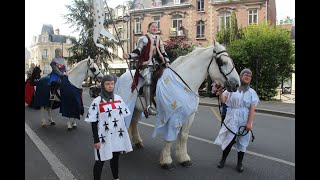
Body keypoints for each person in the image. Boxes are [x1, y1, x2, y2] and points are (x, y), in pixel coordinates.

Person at [85, 75, 133, 180]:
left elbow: (122, 118)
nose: (110, 86)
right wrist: (96, 140)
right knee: (100, 160)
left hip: (117, 135)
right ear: (103, 85)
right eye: (107, 84)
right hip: (103, 136)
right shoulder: (97, 101)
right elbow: (93, 122)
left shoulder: (119, 99)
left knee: (115, 158)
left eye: (112, 83)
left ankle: (116, 177)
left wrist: (124, 136)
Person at [214, 68, 259, 173]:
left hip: (244, 119)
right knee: (229, 140)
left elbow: (252, 109)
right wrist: (220, 92)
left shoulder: (252, 92)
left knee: (242, 142)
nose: (247, 76)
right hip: (232, 117)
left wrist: (249, 123)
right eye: (245, 74)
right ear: (241, 76)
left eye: (249, 75)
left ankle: (239, 163)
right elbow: (224, 100)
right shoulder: (232, 88)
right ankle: (223, 160)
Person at [123, 22, 170, 116]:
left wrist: (167, 61)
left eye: (156, 27)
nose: (155, 28)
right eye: (153, 26)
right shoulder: (143, 38)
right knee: (148, 81)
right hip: (146, 65)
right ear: (148, 28)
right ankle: (148, 107)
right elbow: (138, 51)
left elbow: (163, 52)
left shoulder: (159, 39)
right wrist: (129, 56)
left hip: (158, 65)